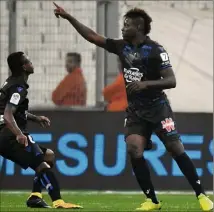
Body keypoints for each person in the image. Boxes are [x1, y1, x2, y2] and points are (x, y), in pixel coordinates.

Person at [53, 3, 213, 211]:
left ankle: (202, 195)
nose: (122, 27)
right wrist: (69, 18)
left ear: (138, 27)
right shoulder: (122, 47)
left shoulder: (156, 50)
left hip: (158, 108)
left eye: (126, 24)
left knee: (175, 148)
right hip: (136, 111)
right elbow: (92, 37)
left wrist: (146, 84)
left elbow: (171, 80)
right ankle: (151, 200)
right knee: (133, 148)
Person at [0, 52, 82, 209]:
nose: (31, 63)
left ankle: (35, 196)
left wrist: (35, 118)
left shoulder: (11, 83)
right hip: (9, 134)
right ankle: (58, 201)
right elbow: (8, 114)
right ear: (24, 67)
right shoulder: (18, 87)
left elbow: (14, 110)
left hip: (5, 132)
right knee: (41, 165)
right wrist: (19, 134)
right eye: (28, 61)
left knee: (48, 156)